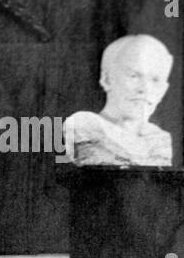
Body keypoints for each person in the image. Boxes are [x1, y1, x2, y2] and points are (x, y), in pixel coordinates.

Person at [62, 34, 174, 167]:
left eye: (155, 80)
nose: (145, 89)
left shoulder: (158, 139)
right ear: (107, 79)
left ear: (164, 89)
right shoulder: (85, 124)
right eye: (134, 76)